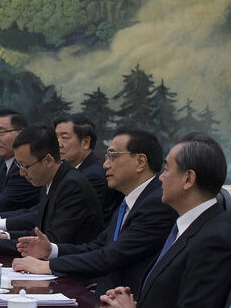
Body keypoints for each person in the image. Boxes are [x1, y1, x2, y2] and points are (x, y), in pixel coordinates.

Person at [12, 128, 177, 297]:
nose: (105, 164)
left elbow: (112, 256)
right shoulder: (132, 200)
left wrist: (48, 266)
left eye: (112, 155)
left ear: (140, 162)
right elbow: (98, 246)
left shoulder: (156, 204)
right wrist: (51, 251)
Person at [99, 132, 231, 308]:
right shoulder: (185, 226)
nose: (161, 177)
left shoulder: (214, 240)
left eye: (167, 169)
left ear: (188, 179)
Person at [0, 125, 103, 256]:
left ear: (48, 160)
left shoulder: (72, 186)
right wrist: (4, 236)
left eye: (25, 166)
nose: (21, 173)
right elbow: (38, 231)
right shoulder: (51, 179)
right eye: (18, 165)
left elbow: (50, 242)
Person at [54, 114, 122, 225]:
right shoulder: (67, 171)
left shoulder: (93, 177)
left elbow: (63, 217)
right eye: (56, 137)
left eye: (64, 138)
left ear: (85, 142)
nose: (58, 144)